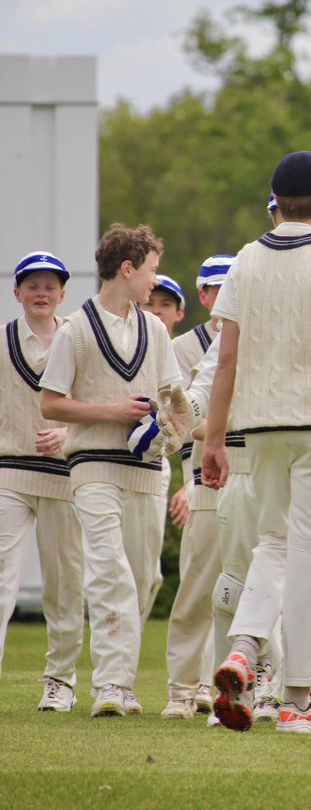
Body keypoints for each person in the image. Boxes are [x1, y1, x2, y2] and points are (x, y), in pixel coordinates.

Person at [202, 151, 311, 734]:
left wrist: (215, 441)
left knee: (273, 545)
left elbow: (225, 360)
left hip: (260, 428)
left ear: (276, 201)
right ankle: (299, 702)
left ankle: (246, 647)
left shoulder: (246, 261)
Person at [40, 224, 183, 717]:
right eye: (151, 271)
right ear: (127, 269)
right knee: (108, 571)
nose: (154, 282)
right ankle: (111, 687)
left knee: (143, 579)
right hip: (92, 465)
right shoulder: (74, 331)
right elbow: (51, 405)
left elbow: (173, 398)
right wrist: (112, 412)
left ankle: (120, 681)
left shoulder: (158, 331)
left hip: (145, 470)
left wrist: (166, 426)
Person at [0, 252, 85, 712]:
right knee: (1, 578)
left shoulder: (79, 343)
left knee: (64, 582)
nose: (41, 293)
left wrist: (70, 434)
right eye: (32, 285)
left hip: (64, 477)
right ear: (17, 293)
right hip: (8, 472)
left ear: (62, 293)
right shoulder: (1, 342)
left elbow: (95, 405)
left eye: (50, 286)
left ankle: (61, 681)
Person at [159, 256, 235, 721]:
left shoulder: (254, 335)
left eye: (233, 288)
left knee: (246, 584)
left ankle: (224, 686)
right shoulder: (184, 349)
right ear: (202, 296)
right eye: (215, 289)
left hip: (248, 469)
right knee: (197, 585)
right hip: (202, 475)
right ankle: (183, 689)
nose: (223, 297)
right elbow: (181, 422)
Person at [140, 273, 187, 623]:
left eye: (165, 305)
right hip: (106, 461)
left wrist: (192, 482)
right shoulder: (128, 346)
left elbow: (193, 424)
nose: (156, 312)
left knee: (149, 575)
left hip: (157, 465)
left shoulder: (182, 356)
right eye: (149, 303)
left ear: (178, 312)